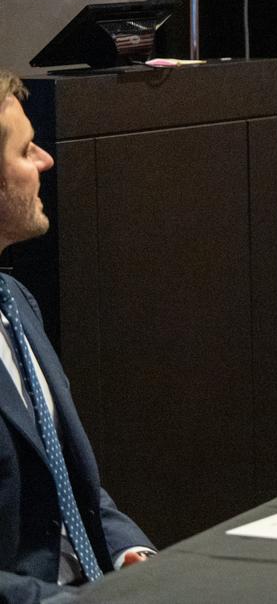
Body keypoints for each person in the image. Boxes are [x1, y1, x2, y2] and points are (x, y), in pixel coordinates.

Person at [0, 71, 154, 602]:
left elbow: (62, 481)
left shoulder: (15, 302)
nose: (45, 161)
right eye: (25, 151)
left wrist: (128, 553)